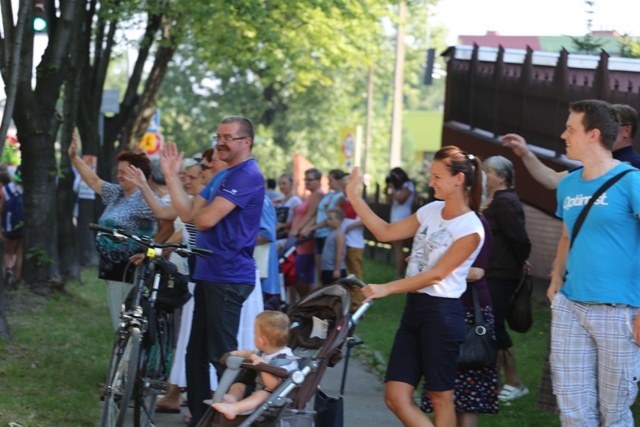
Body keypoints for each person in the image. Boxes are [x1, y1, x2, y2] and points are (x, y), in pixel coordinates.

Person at [345, 146, 485, 427]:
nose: (430, 182)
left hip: (443, 314)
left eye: (436, 176)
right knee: (395, 396)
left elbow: (437, 275)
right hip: (415, 310)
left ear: (458, 179)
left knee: (439, 396)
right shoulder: (431, 210)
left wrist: (387, 287)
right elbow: (385, 232)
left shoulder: (471, 227)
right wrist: (354, 197)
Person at [160, 116, 265, 427]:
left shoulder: (247, 175)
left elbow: (203, 221)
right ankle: (202, 419)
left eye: (229, 137)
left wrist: (199, 211)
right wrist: (170, 176)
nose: (221, 142)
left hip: (229, 275)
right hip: (209, 272)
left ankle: (236, 415)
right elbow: (189, 213)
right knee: (196, 354)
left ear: (246, 142)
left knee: (222, 354)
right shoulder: (225, 175)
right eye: (219, 136)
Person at [548, 99, 640, 426]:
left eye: (571, 129)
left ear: (593, 135)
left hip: (619, 312)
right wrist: (555, 279)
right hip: (571, 308)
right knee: (573, 411)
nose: (563, 135)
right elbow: (566, 236)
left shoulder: (632, 181)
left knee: (613, 413)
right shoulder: (568, 184)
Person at [68, 134, 164, 330]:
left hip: (129, 268)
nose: (118, 175)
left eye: (124, 172)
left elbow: (167, 219)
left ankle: (127, 359)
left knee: (124, 323)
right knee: (119, 321)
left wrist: (151, 250)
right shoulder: (117, 193)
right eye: (118, 171)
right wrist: (74, 157)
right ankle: (123, 358)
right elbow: (94, 181)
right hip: (111, 267)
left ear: (138, 174)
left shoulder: (143, 198)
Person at [421, 213, 498, 426]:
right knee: (442, 383)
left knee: (470, 387)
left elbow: (475, 272)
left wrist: (436, 271)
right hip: (443, 306)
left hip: (471, 311)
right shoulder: (442, 221)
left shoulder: (477, 223)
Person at [481, 155, 531, 402]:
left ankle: (515, 381)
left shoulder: (506, 202)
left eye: (488, 171)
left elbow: (520, 239)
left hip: (501, 274)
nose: (484, 175)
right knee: (488, 326)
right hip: (490, 272)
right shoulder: (492, 200)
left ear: (501, 176)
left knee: (495, 325)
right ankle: (494, 379)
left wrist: (521, 262)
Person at [501, 103, 640, 190]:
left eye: (612, 126)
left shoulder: (634, 169)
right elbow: (552, 180)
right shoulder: (594, 165)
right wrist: (526, 153)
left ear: (626, 131)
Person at [211, 311, 297, 420]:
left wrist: (262, 366)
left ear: (261, 340)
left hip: (275, 395)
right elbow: (250, 353)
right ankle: (232, 398)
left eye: (254, 333)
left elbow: (274, 385)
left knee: (261, 394)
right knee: (238, 385)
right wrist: (235, 354)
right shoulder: (264, 352)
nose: (253, 335)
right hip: (258, 387)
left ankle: (234, 409)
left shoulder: (284, 359)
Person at [300, 168, 345, 279]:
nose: (328, 182)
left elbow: (331, 218)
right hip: (319, 234)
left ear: (339, 181)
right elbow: (320, 213)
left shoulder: (340, 197)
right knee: (320, 270)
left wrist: (311, 228)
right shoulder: (329, 195)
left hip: (327, 234)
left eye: (331, 180)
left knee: (327, 268)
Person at [288, 168, 324, 300]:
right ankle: (306, 303)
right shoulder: (311, 194)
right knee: (308, 275)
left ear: (318, 180)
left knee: (293, 272)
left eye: (310, 179)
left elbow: (311, 214)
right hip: (302, 237)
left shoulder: (317, 194)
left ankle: (305, 300)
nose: (306, 182)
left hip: (303, 239)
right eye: (305, 179)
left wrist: (296, 230)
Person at [385, 167, 415, 279]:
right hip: (395, 219)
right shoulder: (398, 187)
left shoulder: (408, 185)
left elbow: (400, 199)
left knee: (399, 248)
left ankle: (399, 274)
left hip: (402, 219)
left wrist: (392, 187)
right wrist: (389, 188)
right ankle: (399, 273)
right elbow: (389, 200)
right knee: (397, 248)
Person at [1, 165, 24, 287]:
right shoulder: (28, 190)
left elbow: (2, 208)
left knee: (8, 252)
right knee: (19, 252)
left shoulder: (7, 189)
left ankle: (8, 270)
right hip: (23, 226)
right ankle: (17, 278)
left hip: (9, 225)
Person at [320, 208, 346, 285]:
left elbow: (339, 252)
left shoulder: (339, 235)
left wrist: (337, 269)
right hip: (327, 268)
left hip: (333, 269)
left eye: (330, 219)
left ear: (339, 220)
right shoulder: (332, 232)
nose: (328, 221)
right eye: (327, 218)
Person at [275, 172, 302, 244]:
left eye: (284, 183)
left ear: (291, 185)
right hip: (276, 235)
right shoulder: (278, 200)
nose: (281, 186)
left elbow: (298, 219)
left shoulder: (296, 201)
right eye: (280, 184)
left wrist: (281, 226)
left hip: (286, 236)